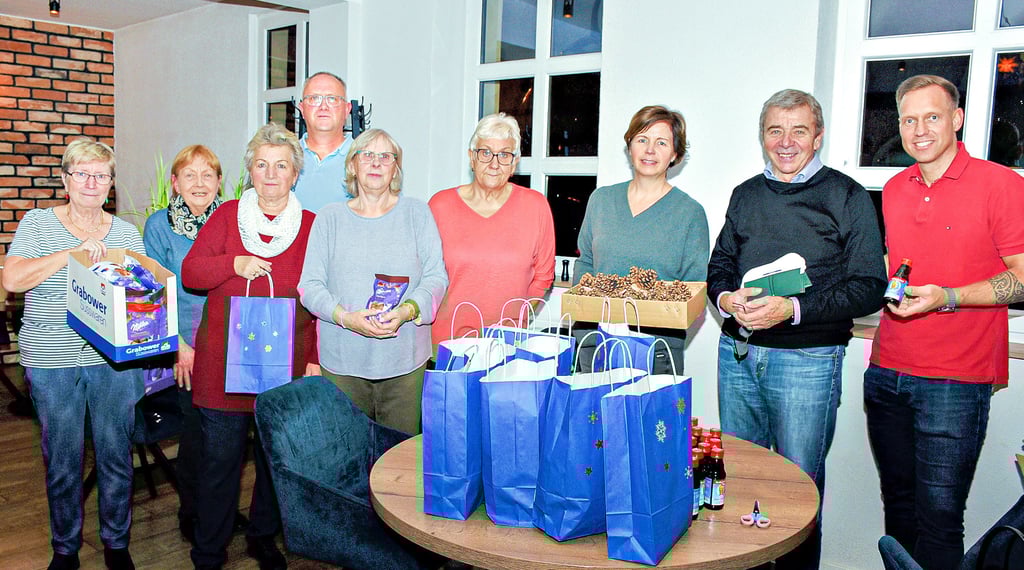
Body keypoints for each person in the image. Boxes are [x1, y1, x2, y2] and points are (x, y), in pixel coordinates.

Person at [706, 89, 886, 569]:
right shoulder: (745, 193)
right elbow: (719, 264)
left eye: (799, 130)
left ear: (818, 136)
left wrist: (792, 309)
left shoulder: (847, 196)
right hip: (738, 354)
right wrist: (725, 299)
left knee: (798, 489)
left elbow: (870, 286)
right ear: (762, 136)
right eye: (775, 130)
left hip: (807, 360)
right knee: (740, 481)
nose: (786, 142)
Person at [866, 74, 1024, 570]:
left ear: (955, 119)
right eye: (909, 120)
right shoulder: (893, 188)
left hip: (956, 380)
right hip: (887, 370)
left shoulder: (1002, 184)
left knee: (939, 520)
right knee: (899, 513)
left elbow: (1022, 280)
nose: (919, 130)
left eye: (932, 116)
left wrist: (947, 298)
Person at [182, 123, 319, 570]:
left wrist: (315, 358)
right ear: (250, 172)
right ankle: (208, 551)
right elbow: (191, 274)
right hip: (223, 366)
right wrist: (234, 262)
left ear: (295, 173)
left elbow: (319, 298)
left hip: (286, 365)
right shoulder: (226, 219)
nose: (271, 174)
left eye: (281, 165)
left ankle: (263, 537)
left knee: (273, 462)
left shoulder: (313, 227)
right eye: (261, 165)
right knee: (219, 465)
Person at [3, 138, 144, 570]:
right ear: (65, 180)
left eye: (101, 175)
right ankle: (66, 549)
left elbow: (141, 298)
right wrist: (70, 255)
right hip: (53, 360)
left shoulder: (125, 232)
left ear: (111, 184)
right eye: (81, 173)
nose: (91, 182)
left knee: (115, 455)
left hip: (111, 361)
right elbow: (13, 280)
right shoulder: (37, 224)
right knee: (62, 459)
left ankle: (116, 544)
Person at [299, 128, 447, 435]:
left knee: (399, 460)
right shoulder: (329, 218)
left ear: (395, 168)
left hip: (405, 364)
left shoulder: (417, 213)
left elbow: (436, 276)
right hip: (342, 365)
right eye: (367, 155)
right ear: (353, 165)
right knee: (346, 456)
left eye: (386, 156)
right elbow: (309, 287)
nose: (376, 163)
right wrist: (346, 318)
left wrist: (407, 311)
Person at [142, 145, 253, 545]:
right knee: (196, 438)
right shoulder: (158, 226)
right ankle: (192, 512)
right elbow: (156, 291)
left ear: (220, 181)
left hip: (231, 343)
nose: (200, 183)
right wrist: (179, 346)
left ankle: (218, 511)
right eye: (190, 175)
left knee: (231, 440)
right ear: (174, 183)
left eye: (208, 175)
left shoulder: (237, 222)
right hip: (188, 347)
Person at [572, 104, 709, 373]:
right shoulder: (601, 200)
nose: (649, 150)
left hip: (656, 350)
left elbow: (695, 289)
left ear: (675, 154)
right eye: (642, 140)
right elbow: (585, 263)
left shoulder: (690, 213)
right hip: (595, 344)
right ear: (630, 146)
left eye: (661, 142)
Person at [429, 113, 555, 344]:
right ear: (471, 157)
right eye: (485, 152)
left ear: (515, 162)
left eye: (504, 154)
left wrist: (520, 317)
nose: (494, 164)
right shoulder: (440, 205)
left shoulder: (535, 206)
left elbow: (544, 274)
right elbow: (425, 272)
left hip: (508, 343)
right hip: (447, 342)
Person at [293, 71, 353, 212]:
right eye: (314, 99)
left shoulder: (367, 159)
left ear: (347, 109)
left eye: (332, 99)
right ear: (302, 109)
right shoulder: (283, 158)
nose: (323, 106)